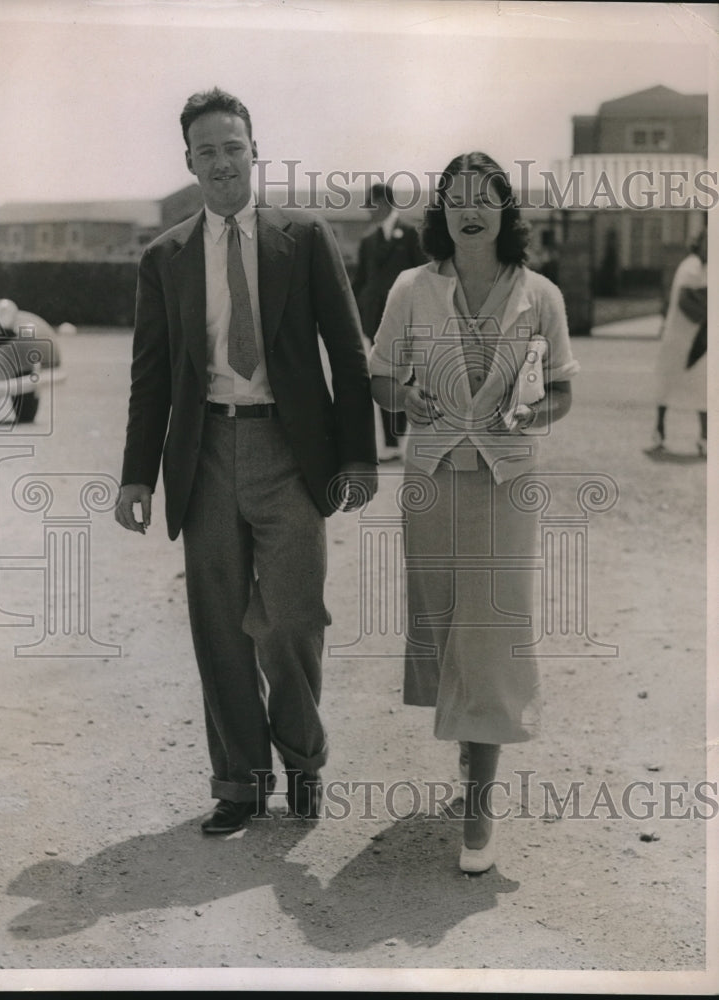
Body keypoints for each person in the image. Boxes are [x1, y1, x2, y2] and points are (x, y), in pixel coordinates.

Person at [115, 88, 377, 834]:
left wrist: (358, 458)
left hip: (290, 452)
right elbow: (152, 374)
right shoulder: (163, 257)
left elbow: (349, 357)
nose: (222, 162)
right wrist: (137, 474)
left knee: (293, 618)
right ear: (189, 162)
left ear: (254, 151)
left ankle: (302, 762)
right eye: (207, 151)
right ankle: (237, 783)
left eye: (234, 147)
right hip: (205, 456)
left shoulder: (307, 235)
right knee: (220, 626)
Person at [368, 152, 579, 872]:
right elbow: (380, 377)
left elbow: (561, 392)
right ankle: (469, 750)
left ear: (503, 211)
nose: (469, 210)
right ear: (442, 213)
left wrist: (531, 413)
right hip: (431, 484)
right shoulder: (410, 288)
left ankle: (480, 811)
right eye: (454, 198)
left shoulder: (540, 295)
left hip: (504, 487)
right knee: (446, 625)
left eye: (483, 197)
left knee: (489, 637)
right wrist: (408, 399)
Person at [351, 182, 426, 461]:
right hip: (376, 320)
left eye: (370, 204)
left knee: (411, 376)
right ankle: (393, 444)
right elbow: (359, 283)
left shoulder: (410, 235)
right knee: (383, 376)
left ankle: (411, 438)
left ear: (383, 202)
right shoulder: (368, 241)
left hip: (407, 319)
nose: (368, 210)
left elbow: (423, 276)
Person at [647, 227, 707, 457]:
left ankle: (705, 439)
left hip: (702, 338)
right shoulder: (689, 266)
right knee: (666, 384)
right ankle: (659, 432)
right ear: (698, 243)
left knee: (704, 386)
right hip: (679, 335)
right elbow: (686, 301)